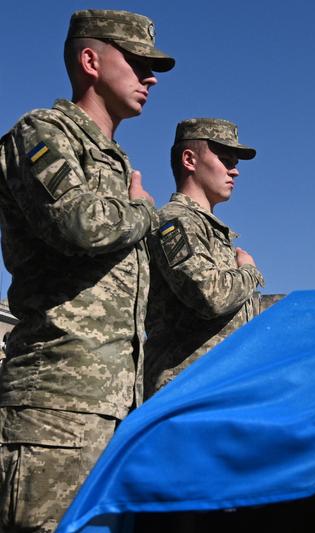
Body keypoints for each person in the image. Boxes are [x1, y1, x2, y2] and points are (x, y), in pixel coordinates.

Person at [0, 9, 174, 532]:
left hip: (113, 409)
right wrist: (143, 209)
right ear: (90, 60)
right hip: (53, 407)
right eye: (138, 62)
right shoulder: (40, 132)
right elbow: (82, 226)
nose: (151, 78)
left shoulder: (117, 161)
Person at [145, 119, 264, 396]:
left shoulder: (206, 228)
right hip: (183, 387)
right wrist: (248, 272)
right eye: (225, 160)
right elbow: (211, 295)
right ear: (189, 160)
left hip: (213, 384)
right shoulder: (176, 220)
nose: (234, 171)